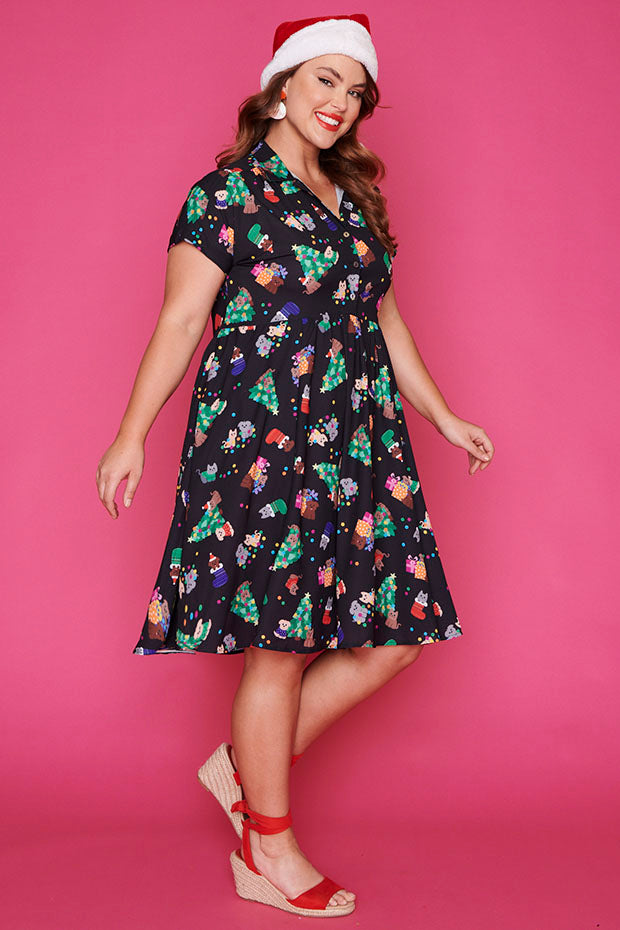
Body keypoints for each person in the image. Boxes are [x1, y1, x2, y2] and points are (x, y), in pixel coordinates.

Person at [96, 13, 494, 918]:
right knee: (279, 647)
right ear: (281, 85)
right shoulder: (226, 194)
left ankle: (244, 769)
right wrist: (131, 433)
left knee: (396, 634)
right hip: (261, 438)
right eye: (325, 80)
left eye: (356, 91)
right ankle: (266, 847)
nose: (341, 102)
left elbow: (384, 321)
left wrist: (443, 415)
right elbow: (180, 321)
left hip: (358, 441)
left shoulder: (352, 198)